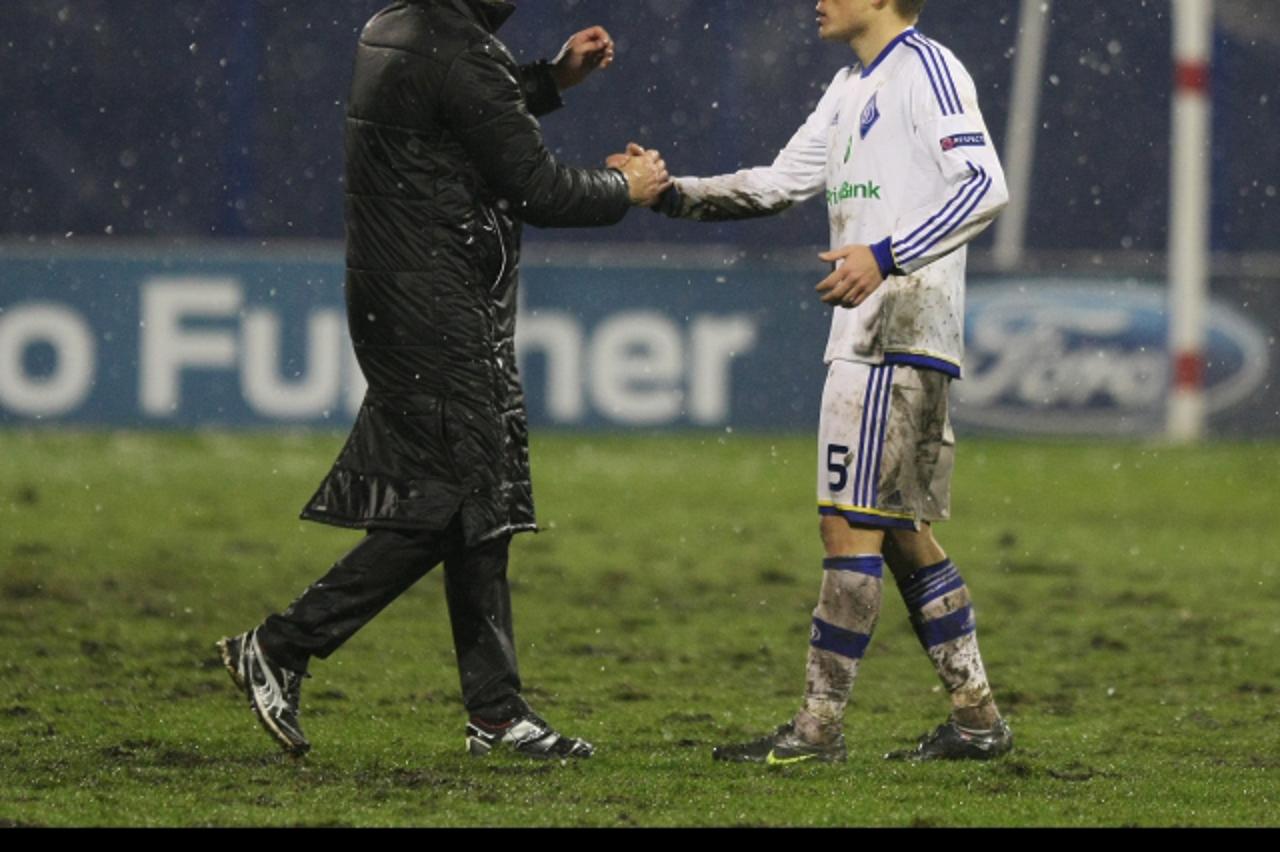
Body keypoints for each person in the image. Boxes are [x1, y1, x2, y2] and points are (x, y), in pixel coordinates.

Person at [218, 0, 669, 760]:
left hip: (397, 294)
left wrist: (550, 80)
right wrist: (623, 186)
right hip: (442, 301)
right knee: (457, 496)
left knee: (472, 497)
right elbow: (541, 190)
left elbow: (462, 114)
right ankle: (282, 644)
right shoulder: (462, 52)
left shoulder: (393, 27)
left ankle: (495, 713)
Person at [640, 0, 1013, 762]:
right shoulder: (849, 87)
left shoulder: (929, 70)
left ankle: (818, 729)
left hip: (894, 332)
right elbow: (778, 184)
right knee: (900, 532)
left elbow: (983, 186)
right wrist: (672, 193)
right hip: (883, 335)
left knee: (847, 526)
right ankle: (977, 720)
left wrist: (885, 255)